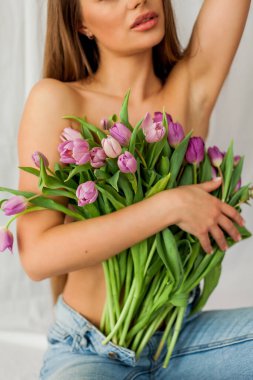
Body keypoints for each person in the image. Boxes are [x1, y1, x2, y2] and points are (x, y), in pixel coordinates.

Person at [16, 0, 253, 379]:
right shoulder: (59, 100)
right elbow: (37, 255)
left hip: (181, 341)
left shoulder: (189, 89)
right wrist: (169, 206)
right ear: (80, 24)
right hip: (90, 350)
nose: (136, 0)